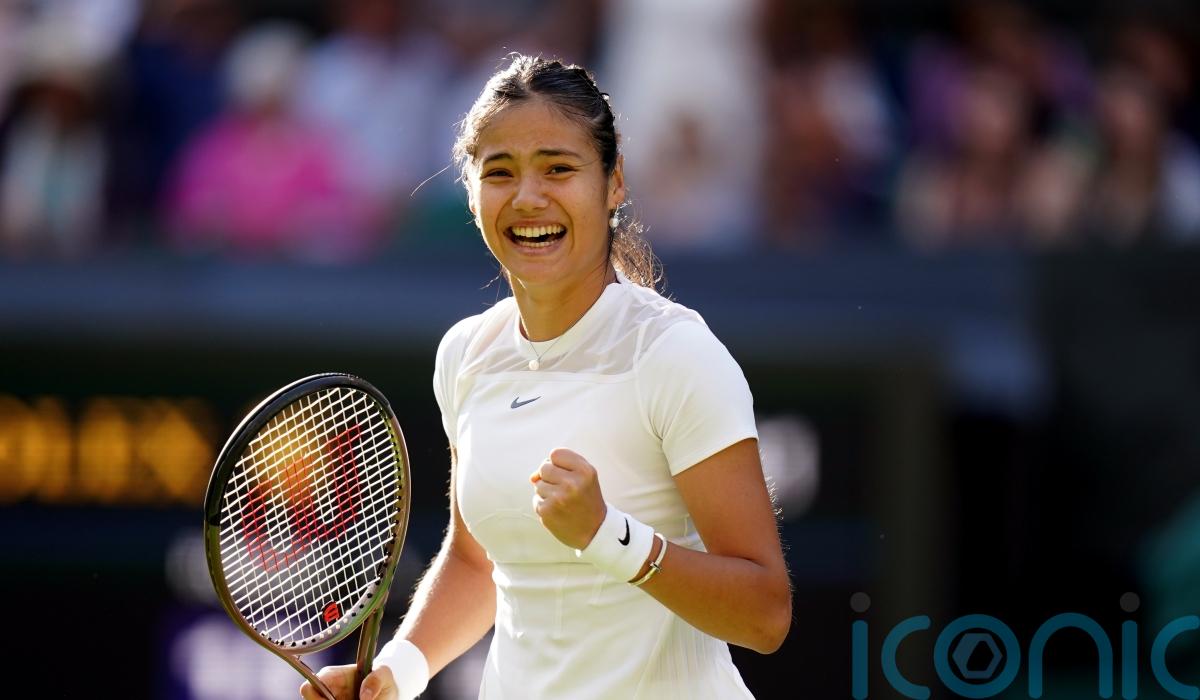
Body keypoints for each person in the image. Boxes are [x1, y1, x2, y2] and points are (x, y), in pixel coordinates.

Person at [302, 54, 791, 700]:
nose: (528, 197)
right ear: (471, 193)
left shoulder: (675, 355)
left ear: (614, 184)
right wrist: (397, 672)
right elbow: (477, 560)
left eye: (558, 168)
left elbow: (764, 614)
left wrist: (608, 536)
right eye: (499, 172)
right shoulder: (467, 354)